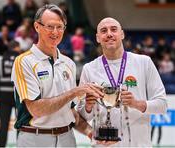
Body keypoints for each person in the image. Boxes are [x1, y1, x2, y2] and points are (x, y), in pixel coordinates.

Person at [11, 4, 104, 147]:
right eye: (50, 26)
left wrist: (91, 132)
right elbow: (36, 109)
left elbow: (71, 113)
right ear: (37, 27)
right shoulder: (24, 62)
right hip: (35, 139)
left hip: (67, 138)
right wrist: (75, 92)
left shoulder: (69, 64)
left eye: (60, 27)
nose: (55, 32)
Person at [77, 17, 167, 147]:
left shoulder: (144, 62)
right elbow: (82, 116)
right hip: (103, 145)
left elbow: (162, 105)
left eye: (114, 29)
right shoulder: (89, 69)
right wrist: (88, 106)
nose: (109, 34)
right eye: (103, 31)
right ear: (97, 38)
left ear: (122, 34)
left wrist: (136, 103)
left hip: (138, 145)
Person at [0, 40, 21, 147]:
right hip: (18, 95)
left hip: (3, 95)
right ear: (16, 48)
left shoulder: (0, 60)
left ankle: (1, 146)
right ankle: (21, 145)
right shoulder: (21, 60)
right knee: (21, 124)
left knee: (3, 125)